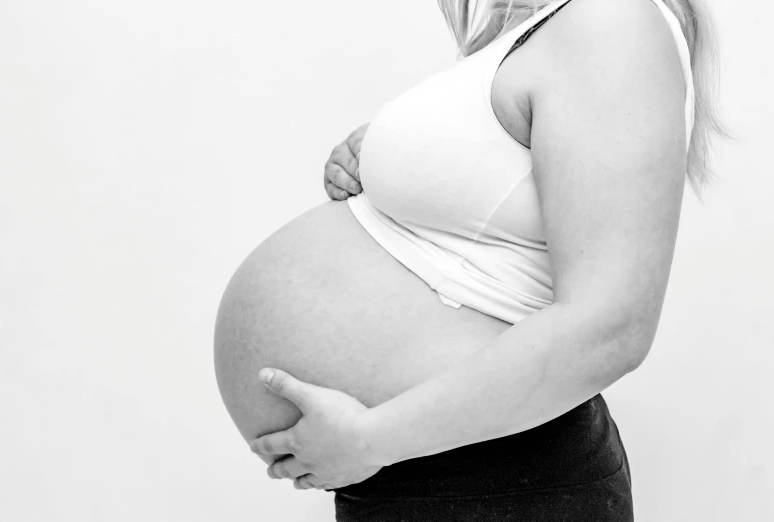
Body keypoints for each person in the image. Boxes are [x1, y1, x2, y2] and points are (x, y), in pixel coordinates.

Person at [217, 0, 727, 520]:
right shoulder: (542, 28)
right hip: (431, 470)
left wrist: (370, 439)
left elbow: (612, 327)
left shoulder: (611, 20)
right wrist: (379, 161)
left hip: (491, 482)